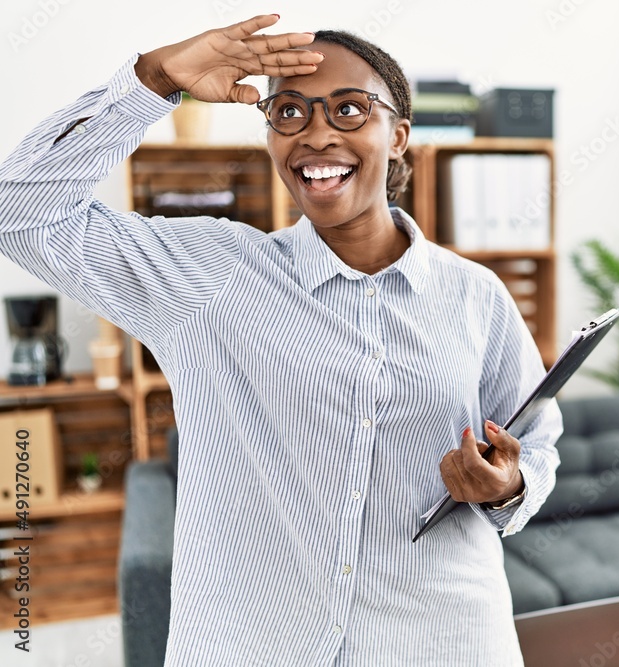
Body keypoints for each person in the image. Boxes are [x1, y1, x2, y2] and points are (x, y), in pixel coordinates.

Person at [0, 15, 561, 666]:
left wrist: (507, 487)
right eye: (288, 109)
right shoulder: (210, 276)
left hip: (442, 639)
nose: (316, 133)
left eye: (349, 108)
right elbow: (20, 215)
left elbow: (536, 441)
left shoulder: (476, 296)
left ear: (399, 135)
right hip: (250, 645)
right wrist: (152, 81)